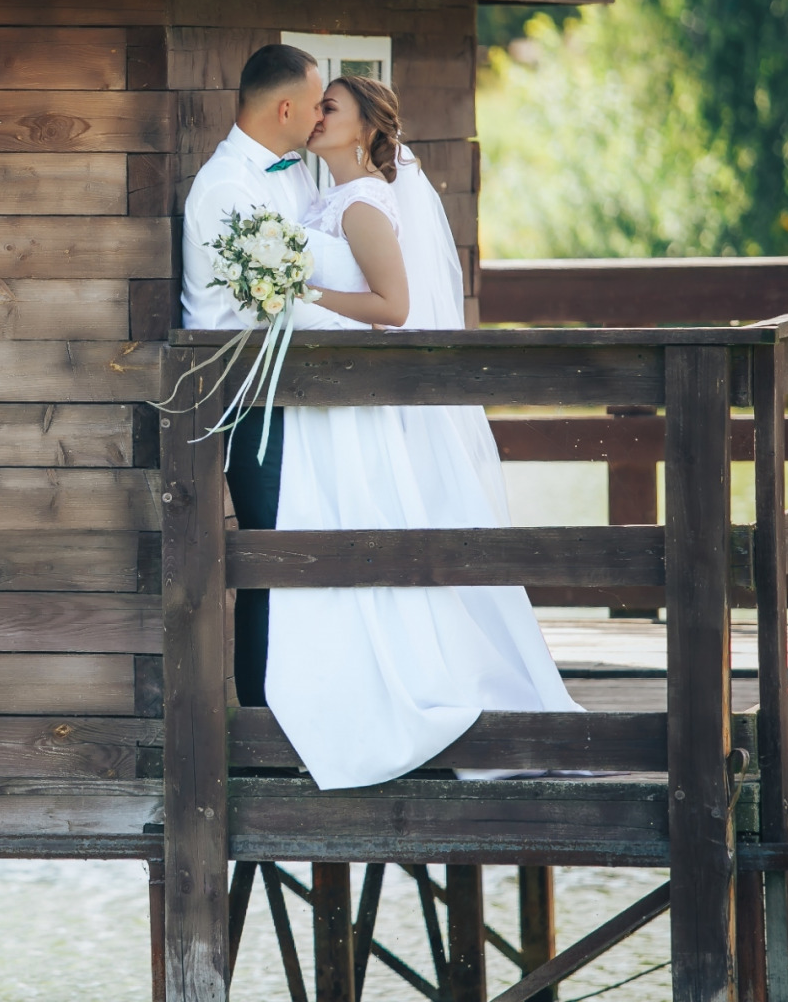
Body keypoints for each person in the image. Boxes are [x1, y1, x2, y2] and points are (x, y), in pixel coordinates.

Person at [261, 74, 581, 789]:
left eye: (330, 108)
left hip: (355, 403)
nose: (316, 117)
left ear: (367, 128)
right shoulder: (324, 197)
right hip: (331, 412)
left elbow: (395, 307)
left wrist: (298, 290)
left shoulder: (365, 202)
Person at [180, 43, 364, 707]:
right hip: (246, 398)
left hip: (294, 388)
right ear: (286, 107)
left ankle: (312, 700)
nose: (320, 117)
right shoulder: (228, 187)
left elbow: (315, 269)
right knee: (272, 554)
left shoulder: (293, 174)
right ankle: (261, 717)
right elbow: (280, 299)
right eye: (317, 104)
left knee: (304, 545)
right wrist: (372, 323)